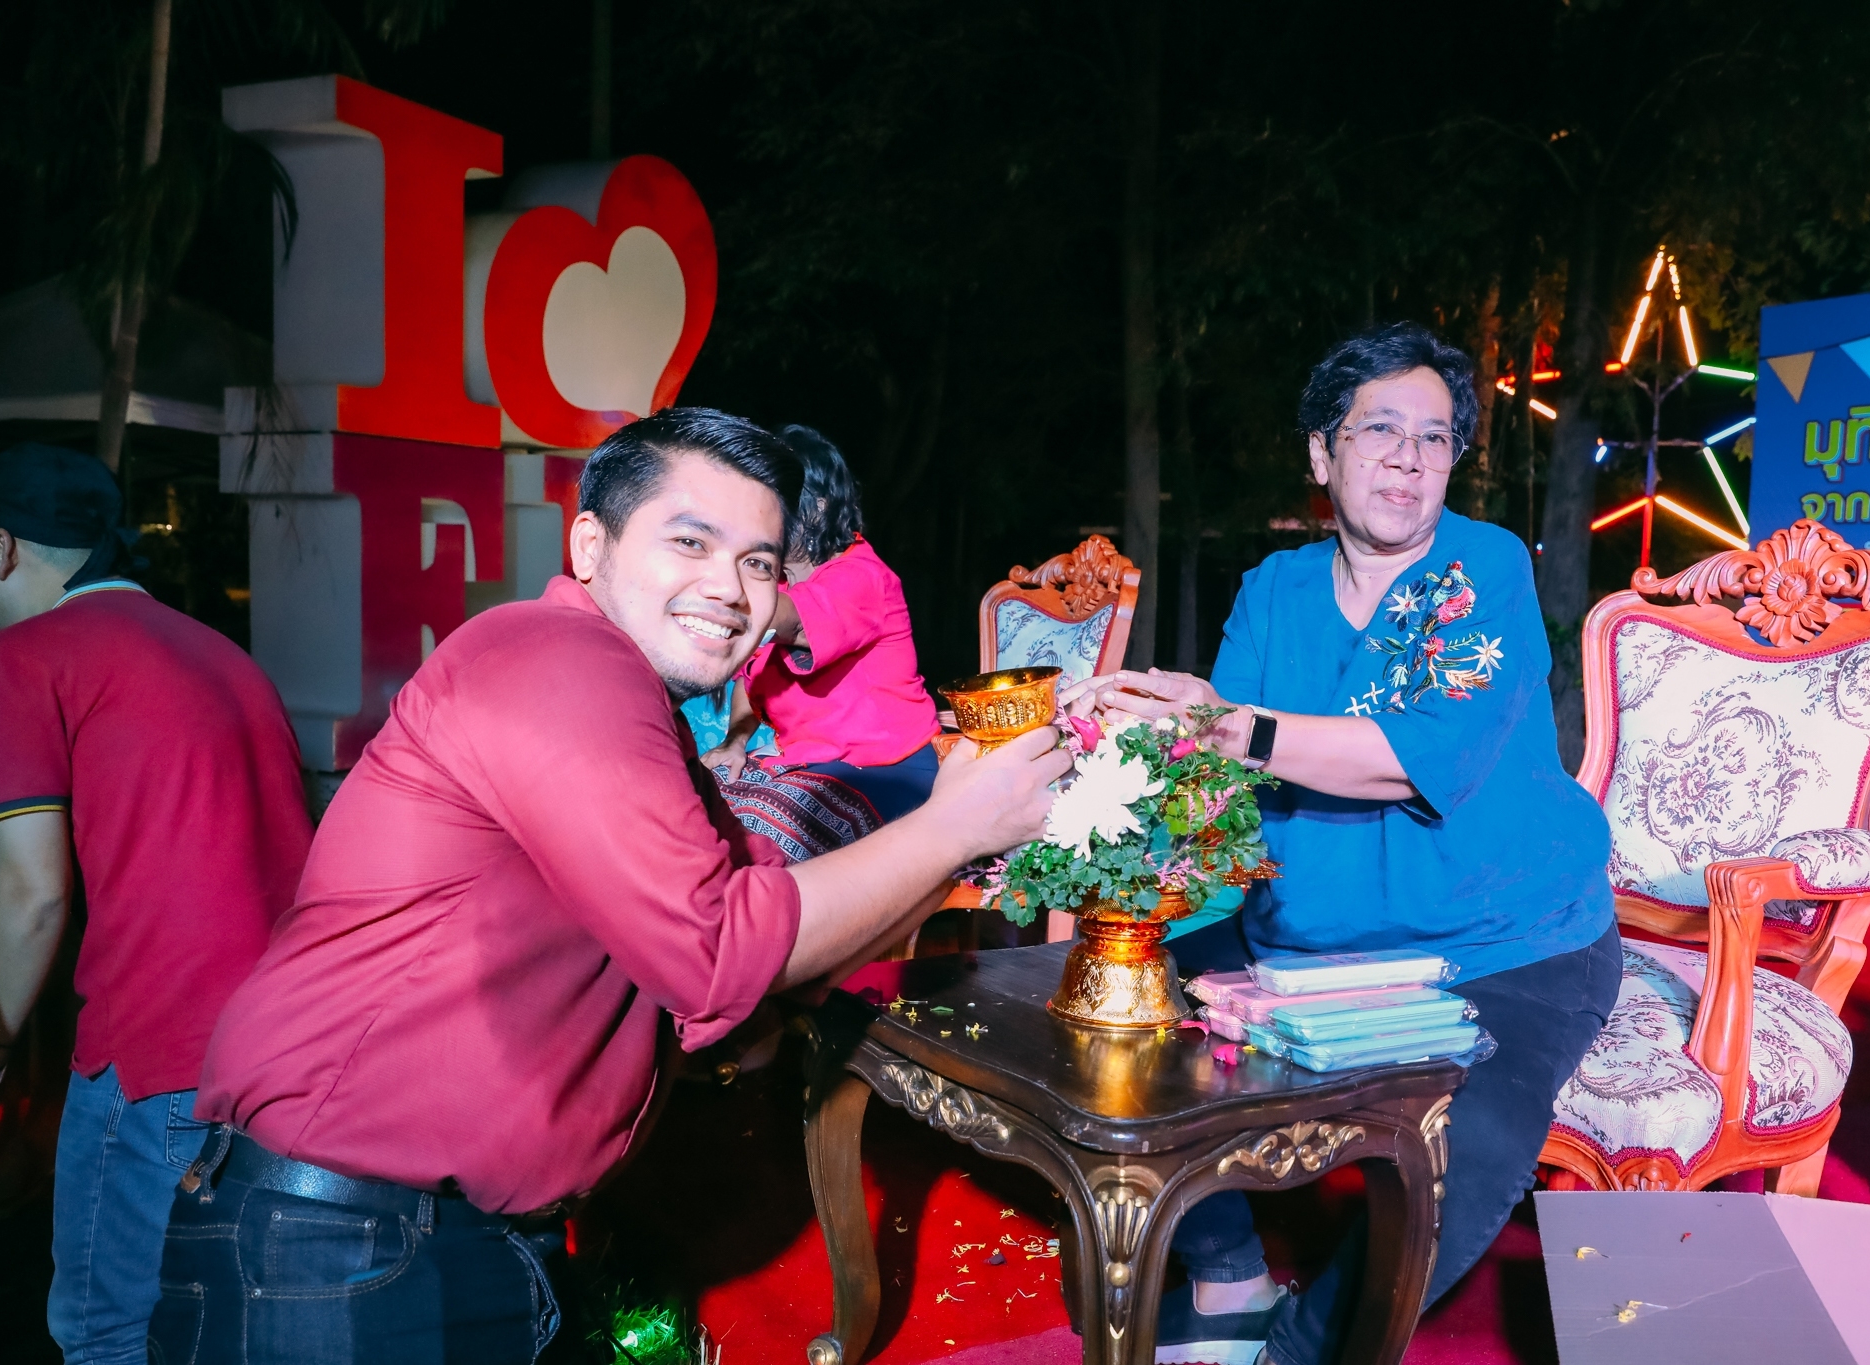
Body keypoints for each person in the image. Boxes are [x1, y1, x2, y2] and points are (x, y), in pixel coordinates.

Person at [161, 408, 1067, 1364]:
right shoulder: (558, 657)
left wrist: (946, 843)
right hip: (337, 1251)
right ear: (589, 544)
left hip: (426, 1242)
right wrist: (952, 827)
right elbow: (718, 954)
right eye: (691, 542)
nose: (730, 588)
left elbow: (760, 926)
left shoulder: (633, 703)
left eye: (759, 562)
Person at [1066, 324, 1619, 1365]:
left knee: (1468, 1149)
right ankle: (1227, 1277)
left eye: (1434, 437)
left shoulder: (1482, 568)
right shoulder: (1274, 588)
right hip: (1308, 938)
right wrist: (1118, 761)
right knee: (1112, 1004)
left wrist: (1229, 725)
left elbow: (1410, 758)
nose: (1409, 458)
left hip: (1503, 941)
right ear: (1322, 454)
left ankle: (1303, 1351)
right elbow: (1221, 777)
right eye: (1379, 431)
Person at [0, 445, 313, 1365]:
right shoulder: (221, 652)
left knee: (106, 1334)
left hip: (155, 1059)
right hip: (289, 1054)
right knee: (232, 1336)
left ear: (1, 548)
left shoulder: (19, 658)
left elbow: (31, 896)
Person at [700, 425, 941, 858]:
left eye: (774, 496)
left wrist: (709, 580)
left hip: (884, 770)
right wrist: (735, 741)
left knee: (751, 844)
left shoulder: (861, 575)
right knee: (692, 811)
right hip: (805, 764)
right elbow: (749, 680)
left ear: (818, 506)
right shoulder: (773, 586)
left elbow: (792, 622)